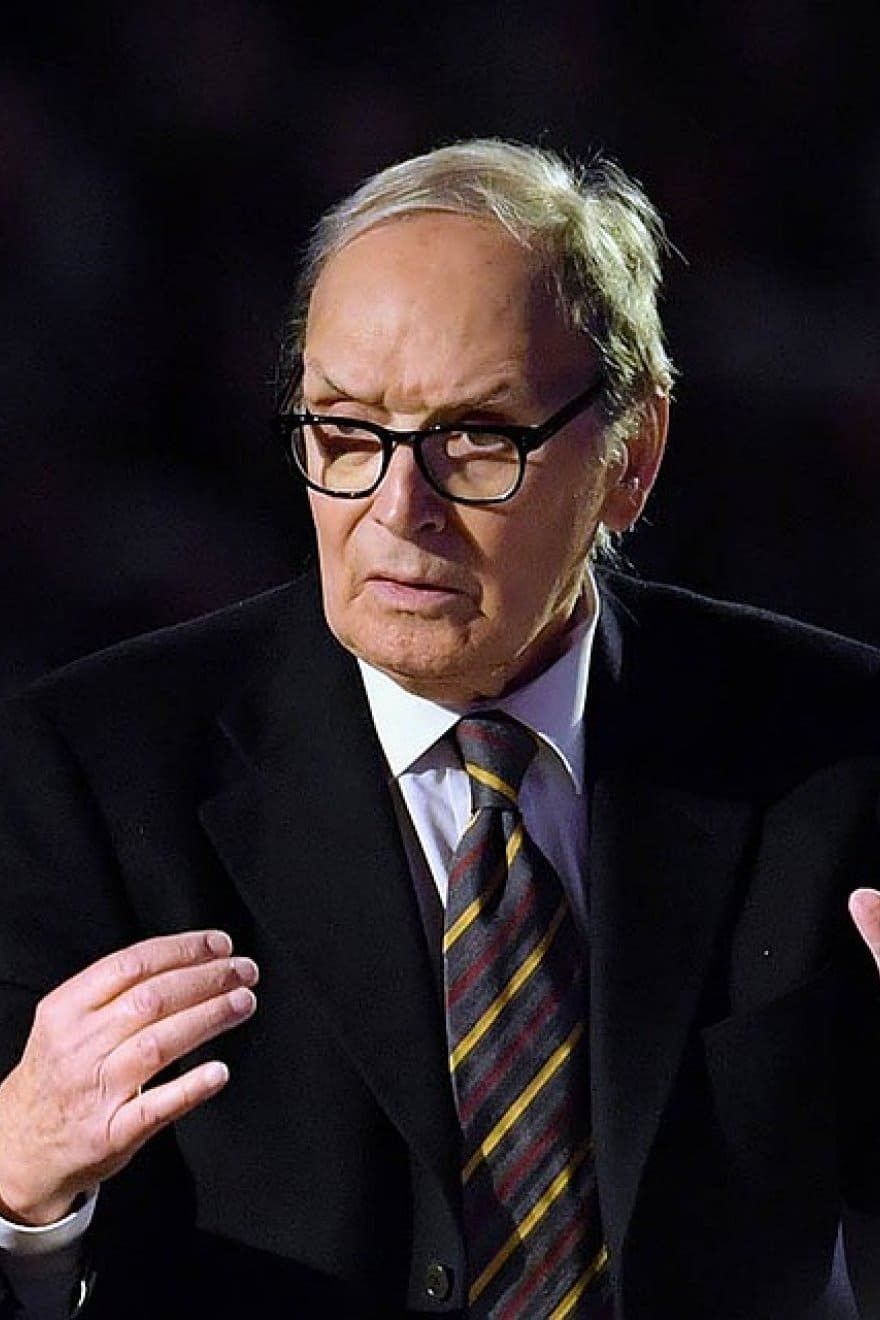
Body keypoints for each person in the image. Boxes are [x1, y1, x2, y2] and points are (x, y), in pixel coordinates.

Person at [0, 136, 879, 1320]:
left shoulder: (836, 750)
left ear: (631, 458)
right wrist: (23, 1191)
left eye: (476, 437)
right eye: (346, 431)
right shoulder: (89, 776)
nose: (396, 510)